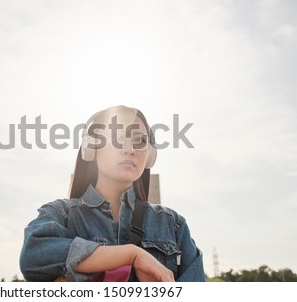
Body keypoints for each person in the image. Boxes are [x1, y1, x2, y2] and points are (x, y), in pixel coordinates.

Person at [19, 105, 205, 282]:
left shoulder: (173, 225)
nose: (129, 149)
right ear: (91, 147)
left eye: (139, 140)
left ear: (150, 156)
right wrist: (132, 255)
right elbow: (33, 254)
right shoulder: (61, 214)